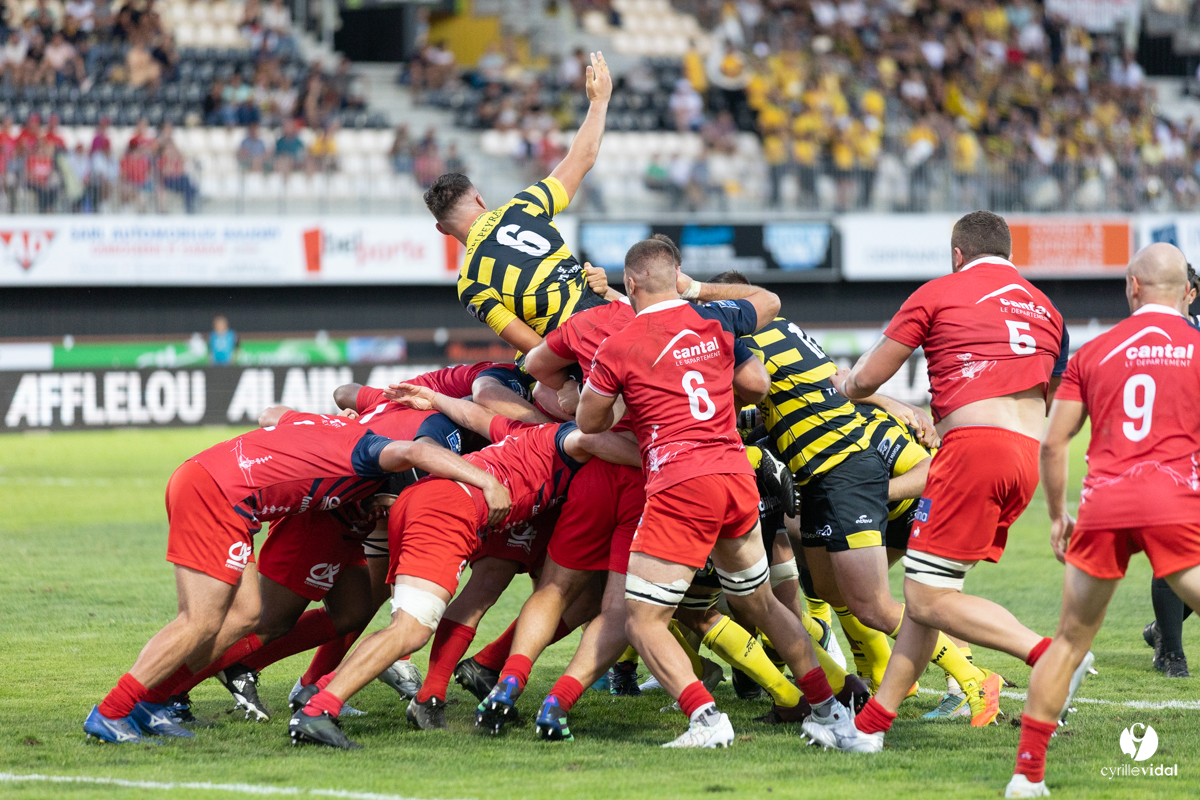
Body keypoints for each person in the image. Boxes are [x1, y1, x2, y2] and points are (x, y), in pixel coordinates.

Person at [83, 406, 509, 743]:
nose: (383, 512)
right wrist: (485, 481)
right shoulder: (373, 453)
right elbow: (416, 451)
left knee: (253, 614)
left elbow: (272, 414)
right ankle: (112, 711)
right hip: (219, 495)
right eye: (390, 501)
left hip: (222, 489)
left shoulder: (339, 429)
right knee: (201, 620)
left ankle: (153, 701)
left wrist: (314, 429)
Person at [814, 210, 1078, 753]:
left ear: (957, 254)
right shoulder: (1047, 309)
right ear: (1009, 253)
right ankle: (870, 729)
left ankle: (1047, 654)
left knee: (927, 598)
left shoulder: (939, 291)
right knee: (929, 598)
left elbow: (867, 376)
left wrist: (846, 385)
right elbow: (1050, 390)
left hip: (973, 452)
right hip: (1024, 456)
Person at [576, 237, 855, 749]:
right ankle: (829, 710)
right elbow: (769, 302)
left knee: (642, 619)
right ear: (676, 275)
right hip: (735, 476)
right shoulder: (717, 318)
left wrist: (629, 402)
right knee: (760, 603)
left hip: (682, 484)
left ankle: (706, 719)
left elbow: (589, 421)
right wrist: (698, 290)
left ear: (630, 284)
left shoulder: (619, 344)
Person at [286, 390, 639, 749]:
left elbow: (473, 416)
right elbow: (589, 437)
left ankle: (414, 698)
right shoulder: (565, 438)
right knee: (409, 631)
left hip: (421, 499)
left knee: (416, 623)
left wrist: (434, 399)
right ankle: (319, 707)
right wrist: (660, 459)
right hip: (450, 509)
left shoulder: (518, 430)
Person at [1004, 244, 1200, 798]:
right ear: (1185, 290)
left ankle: (1026, 775)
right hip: (1174, 503)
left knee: (1068, 641)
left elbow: (1054, 441)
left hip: (1106, 504)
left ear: (1133, 287)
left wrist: (1059, 515)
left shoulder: (1095, 353)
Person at [423, 51, 614, 358]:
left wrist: (565, 387)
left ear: (441, 230)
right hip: (612, 319)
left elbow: (535, 348)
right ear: (479, 198)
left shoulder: (471, 282)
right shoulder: (526, 204)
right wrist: (599, 102)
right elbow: (582, 158)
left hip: (580, 350)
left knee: (511, 382)